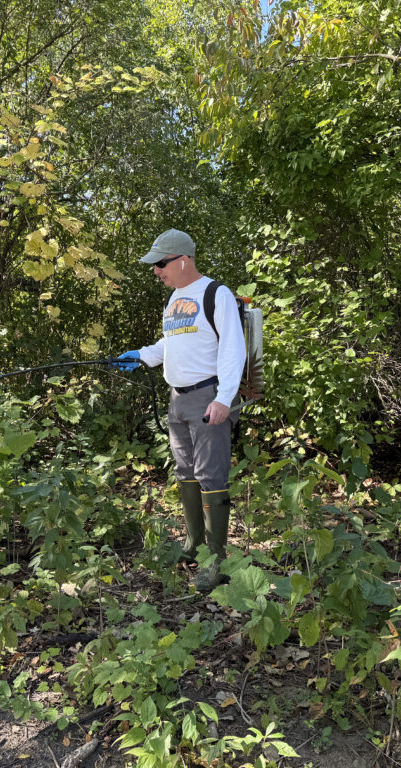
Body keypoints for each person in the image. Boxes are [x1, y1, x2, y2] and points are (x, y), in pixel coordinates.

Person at [115, 229, 246, 592]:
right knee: (185, 470)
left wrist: (224, 399)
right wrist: (141, 355)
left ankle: (216, 560)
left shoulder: (215, 294)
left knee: (210, 475)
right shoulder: (174, 300)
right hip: (177, 398)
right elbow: (171, 344)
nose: (156, 271)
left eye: (161, 264)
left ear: (183, 260)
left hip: (208, 396)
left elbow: (234, 349)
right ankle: (194, 545)